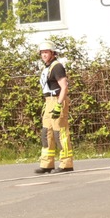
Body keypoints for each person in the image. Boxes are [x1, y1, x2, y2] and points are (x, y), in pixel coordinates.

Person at [34, 41, 73, 174]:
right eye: (42, 52)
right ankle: (47, 164)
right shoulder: (47, 67)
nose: (44, 55)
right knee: (47, 133)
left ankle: (66, 163)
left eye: (46, 52)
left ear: (52, 53)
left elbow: (64, 87)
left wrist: (59, 105)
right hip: (48, 101)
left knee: (59, 133)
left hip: (57, 100)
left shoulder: (57, 67)